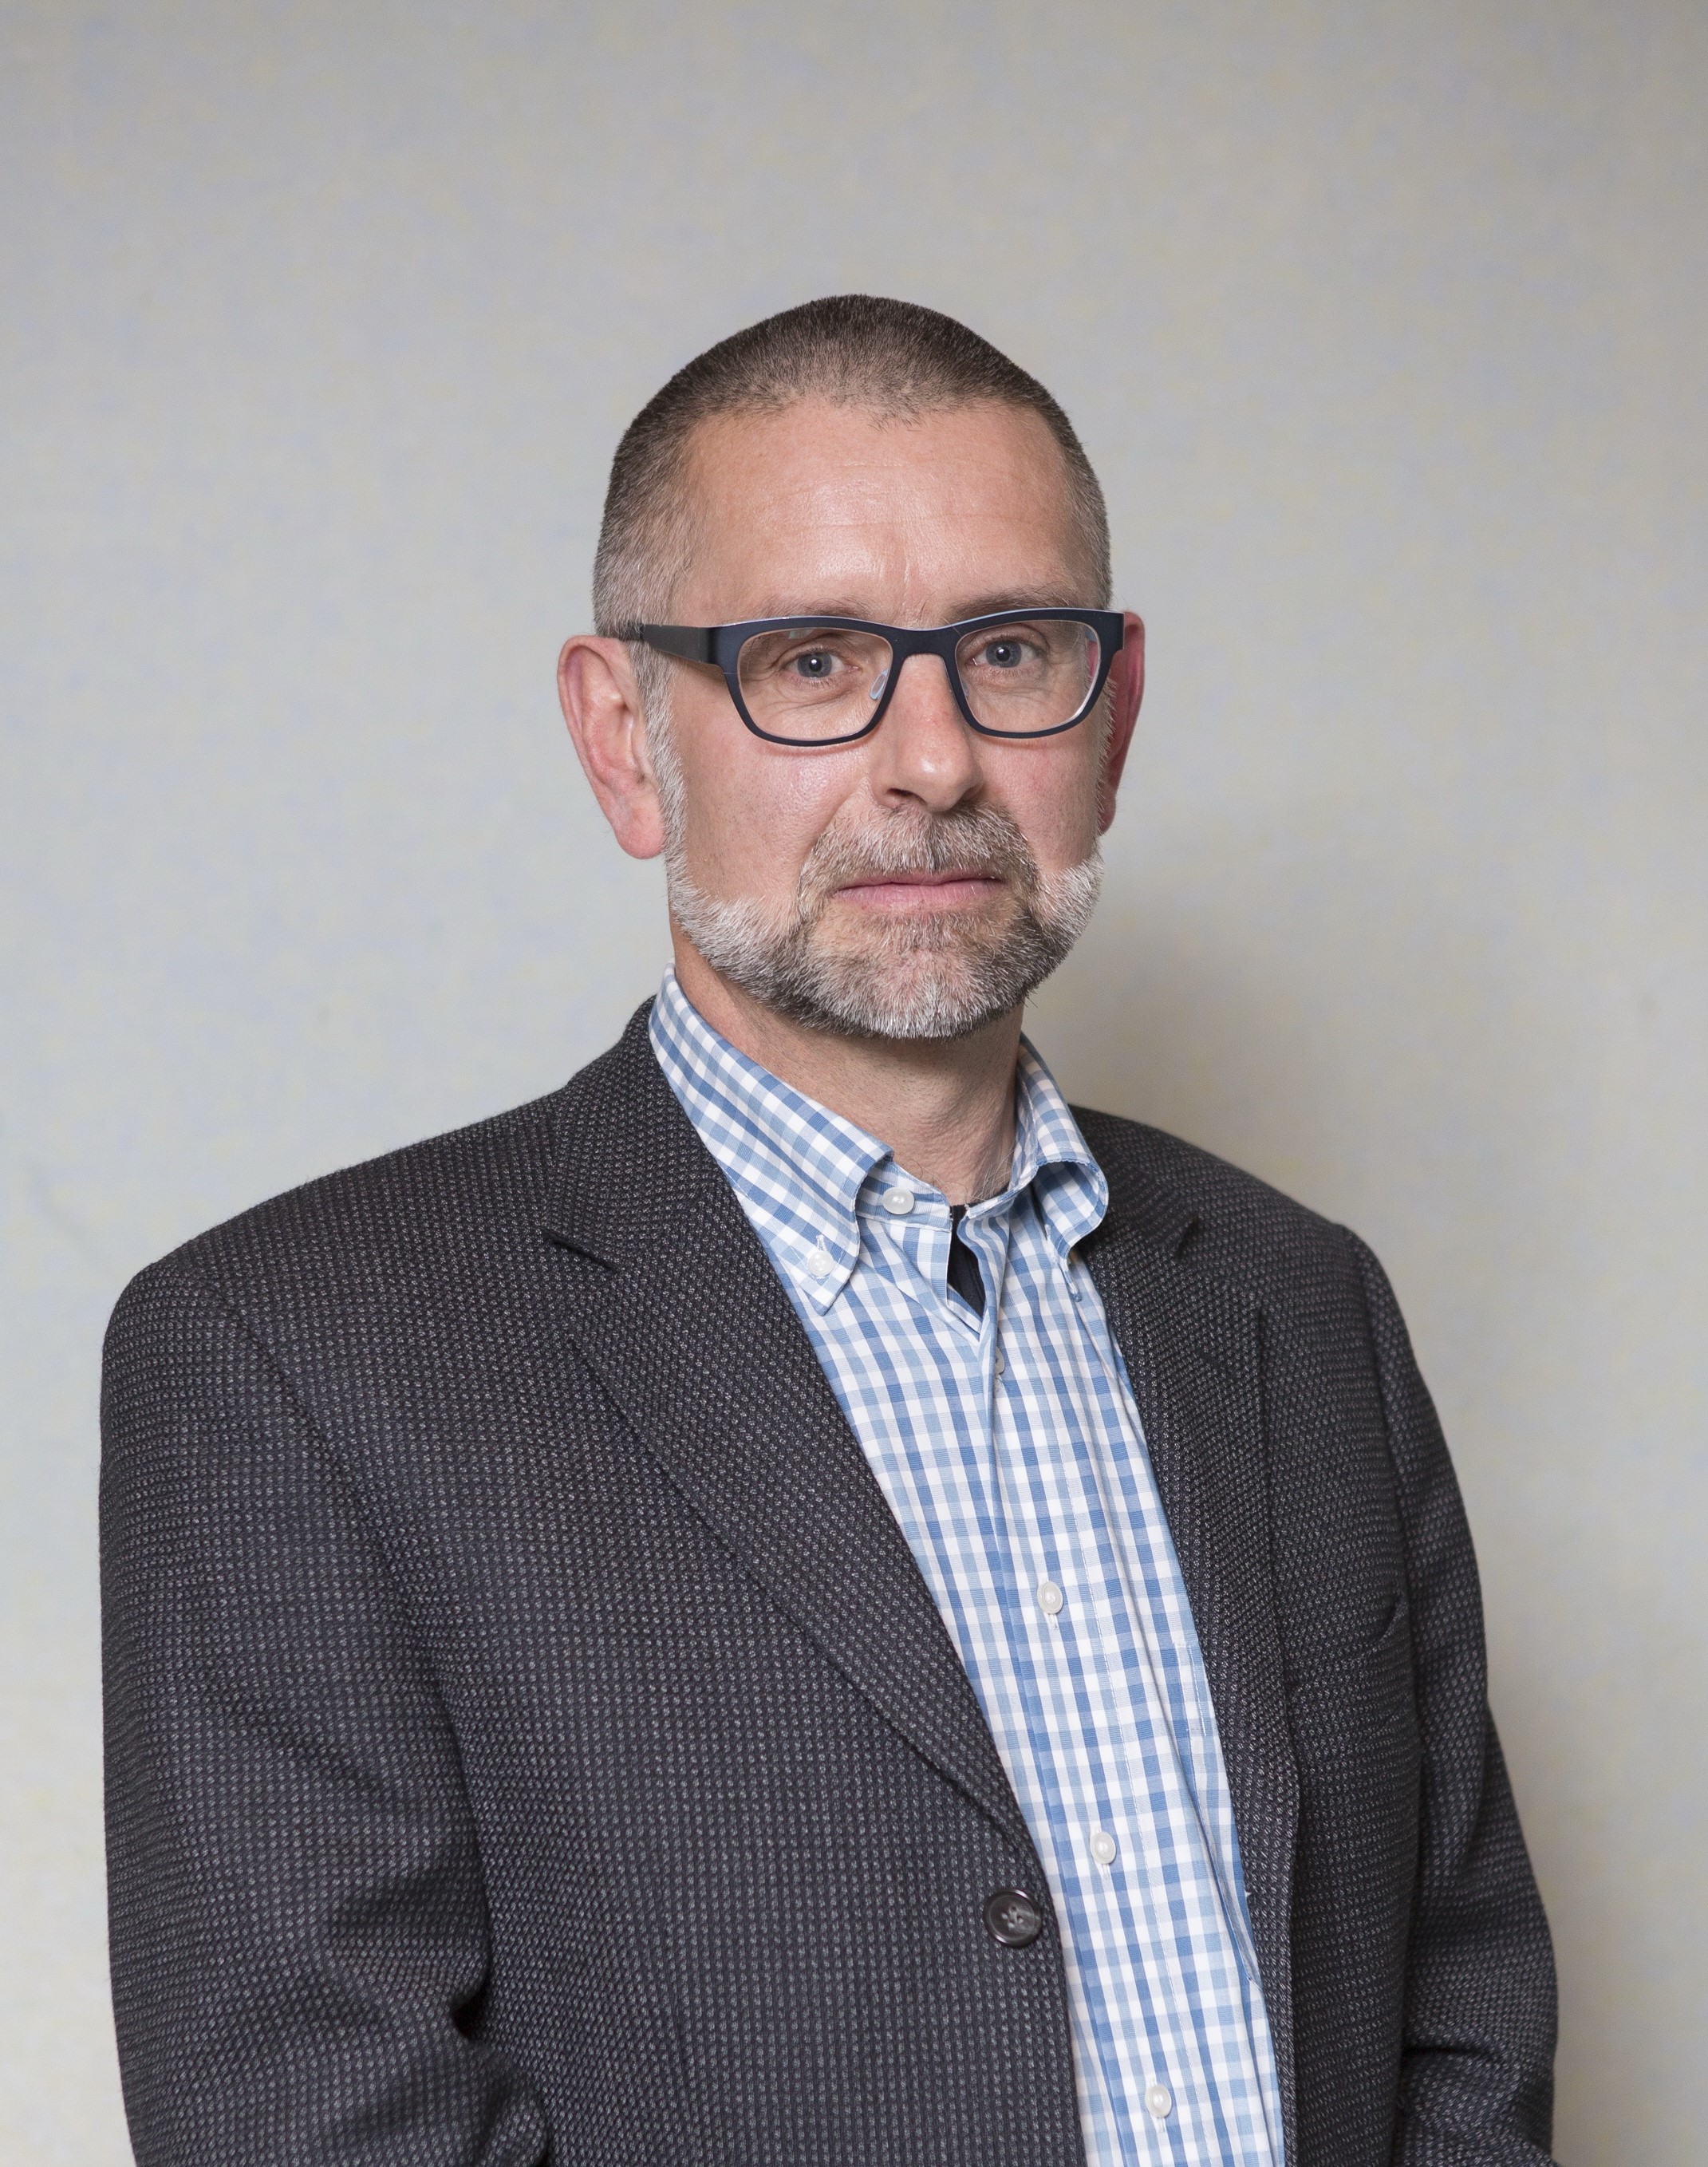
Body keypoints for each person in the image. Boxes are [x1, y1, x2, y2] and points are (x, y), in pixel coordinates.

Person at [101, 295, 1556, 2167]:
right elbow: (312, 2126)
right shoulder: (294, 1360)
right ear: (625, 738)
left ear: (1112, 714)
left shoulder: (1301, 1299)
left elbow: (1462, 2015)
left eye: (1008, 651)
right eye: (812, 660)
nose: (932, 760)